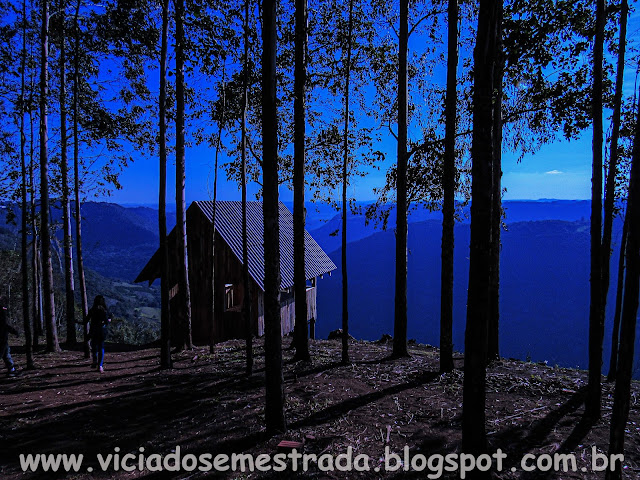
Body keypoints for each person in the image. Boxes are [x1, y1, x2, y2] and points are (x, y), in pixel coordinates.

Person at [84, 295, 111, 373]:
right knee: (101, 347)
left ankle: (94, 361)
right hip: (102, 331)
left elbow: (86, 320)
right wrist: (108, 321)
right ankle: (100, 366)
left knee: (94, 346)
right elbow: (107, 321)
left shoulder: (92, 310)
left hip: (94, 330)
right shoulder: (104, 310)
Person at [0, 299, 18, 377]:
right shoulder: (2, 319)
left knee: (6, 354)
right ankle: (11, 370)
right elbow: (6, 326)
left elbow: (7, 326)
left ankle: (12, 370)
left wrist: (14, 331)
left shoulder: (3, 319)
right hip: (2, 340)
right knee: (5, 354)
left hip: (3, 340)